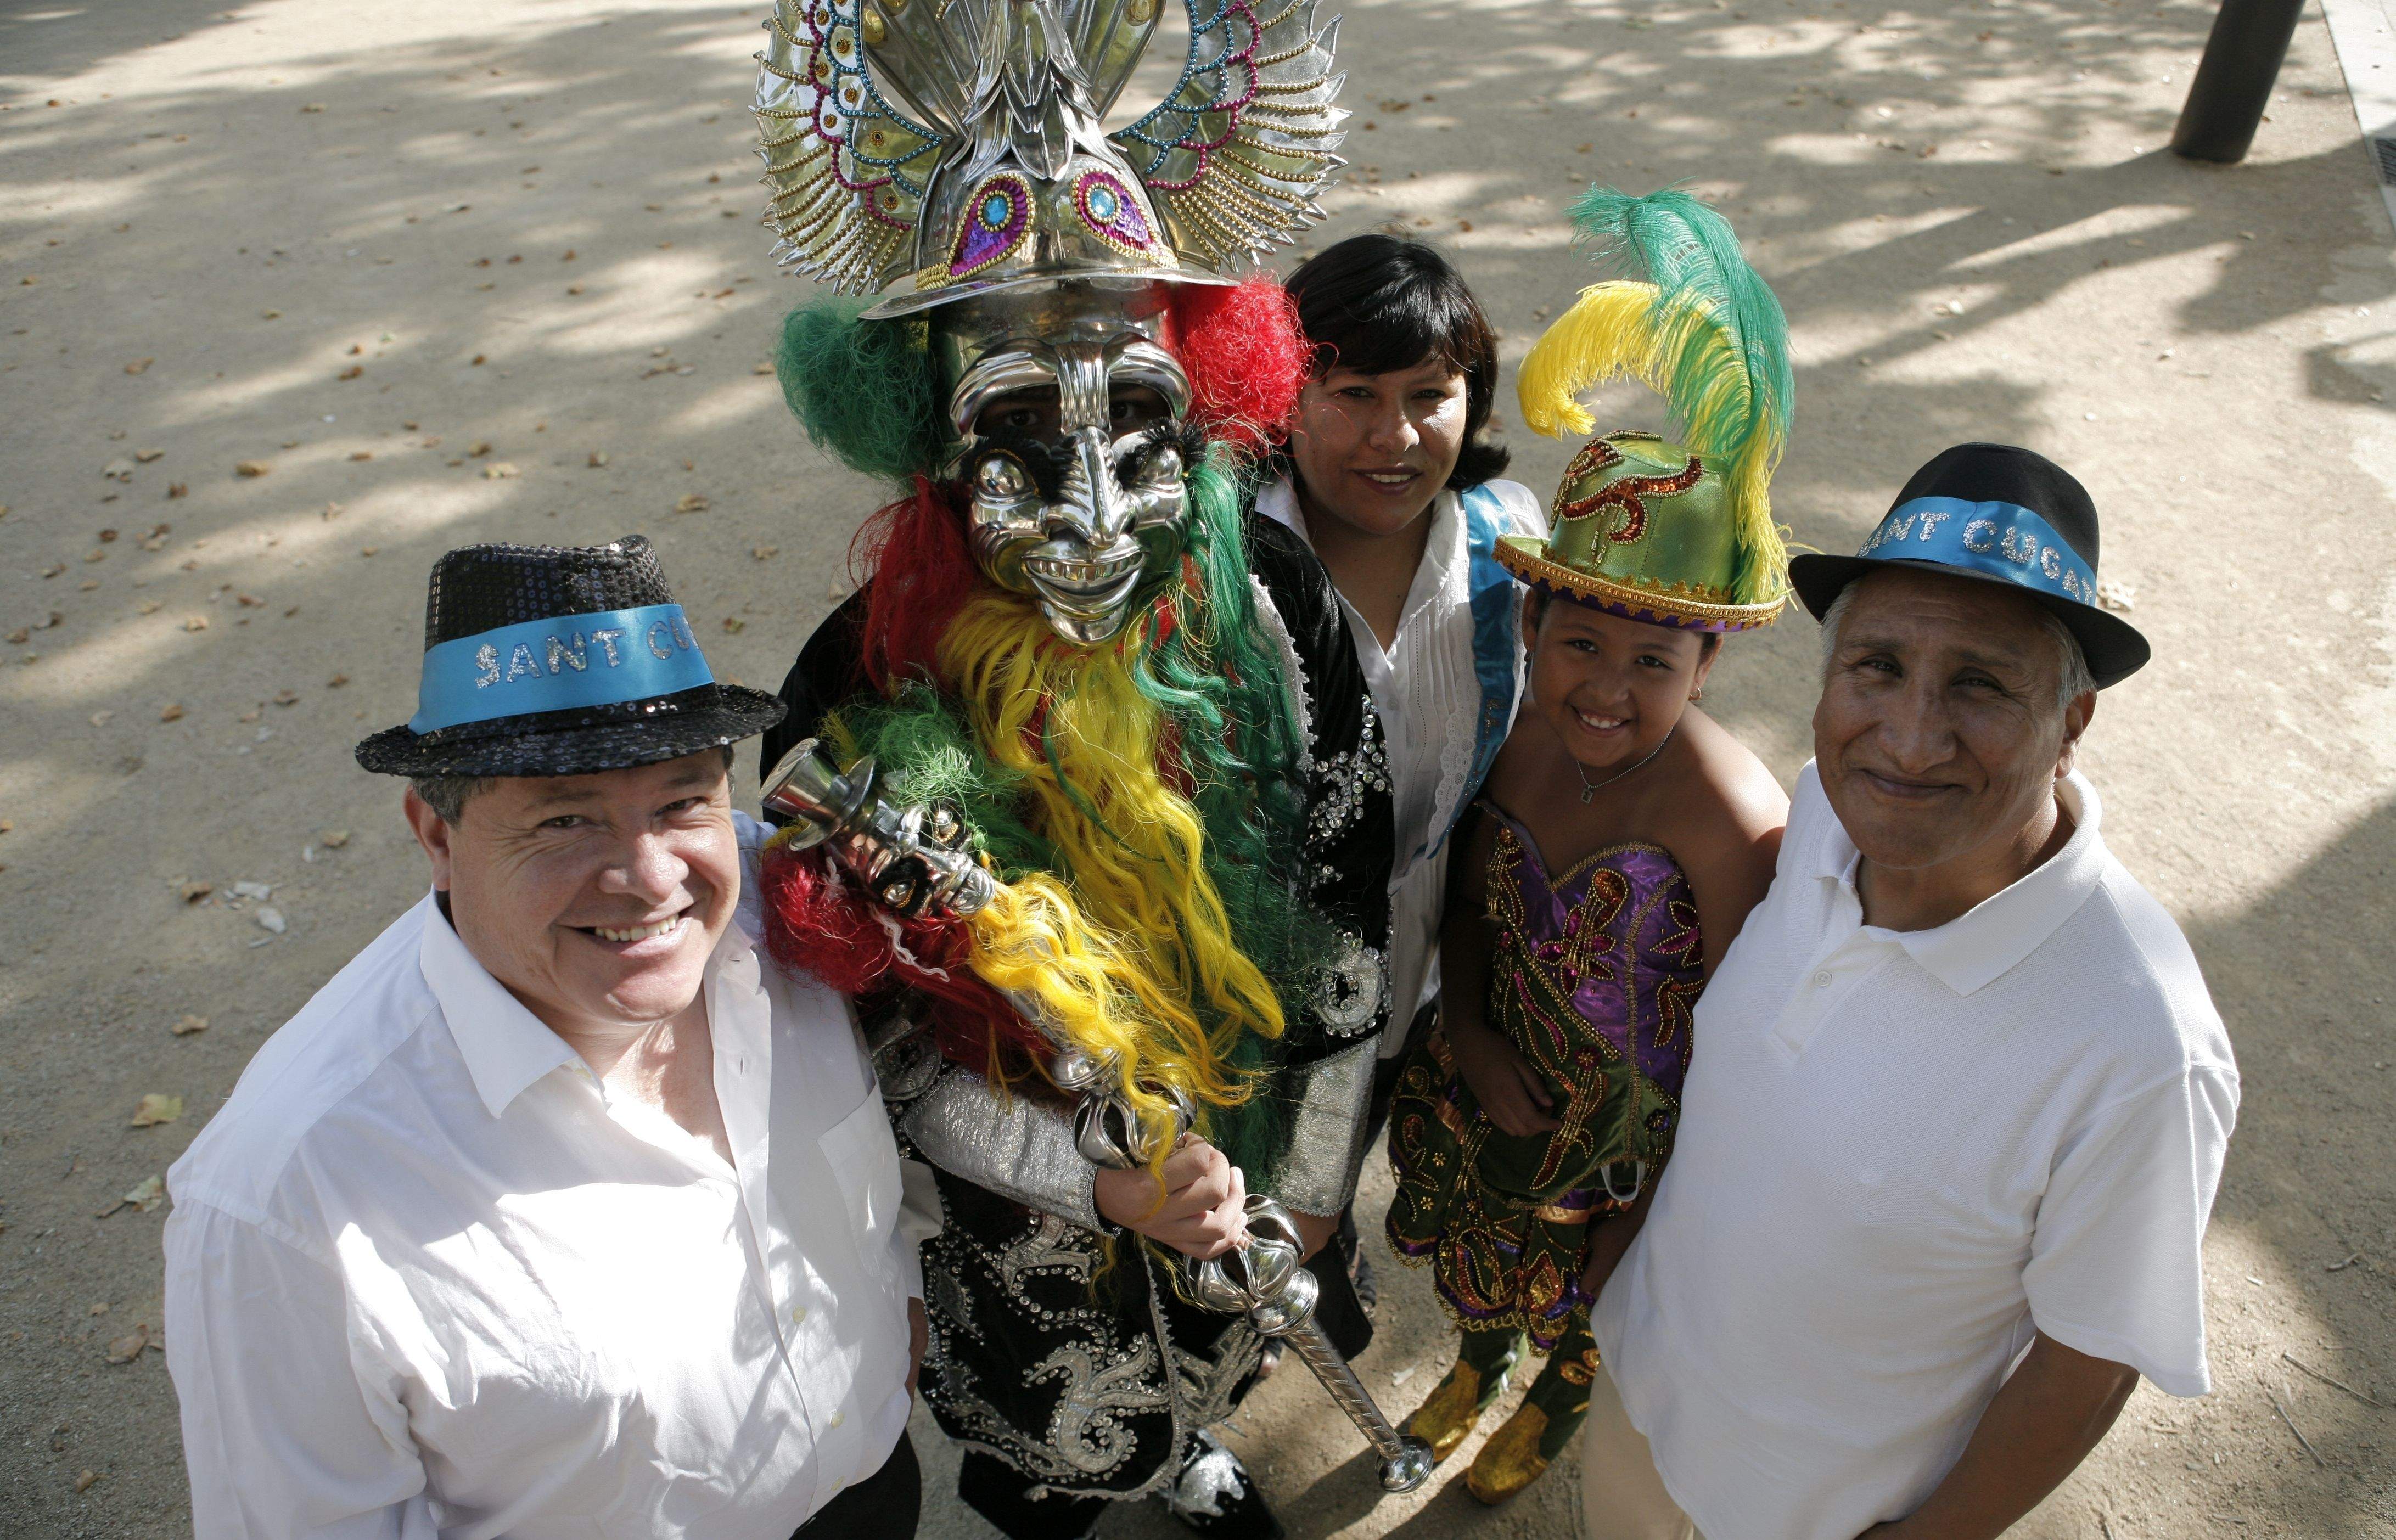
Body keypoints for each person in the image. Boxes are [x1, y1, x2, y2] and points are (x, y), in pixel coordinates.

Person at [740, 4, 1394, 1537]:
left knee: (1221, 1338)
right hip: (1010, 1215)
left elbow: (1351, 903)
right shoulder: (854, 685)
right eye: (1019, 435)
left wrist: (1301, 1174)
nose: (1095, 509)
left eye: (1139, 431)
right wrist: (1078, 1171)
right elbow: (838, 1036)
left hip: (1239, 1151)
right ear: (928, 441)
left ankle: (1194, 1447)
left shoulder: (1281, 614)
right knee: (1041, 1441)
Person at [162, 536, 935, 1539]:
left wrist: (891, 1305)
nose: (654, 879)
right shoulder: (288, 1199)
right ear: (437, 836)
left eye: (682, 800)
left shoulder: (788, 915)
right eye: (567, 819)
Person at [1581, 443, 2240, 1540]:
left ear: (2071, 723)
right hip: (1640, 1407)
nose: (1907, 737)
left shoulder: (2140, 1046)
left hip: (1817, 1512)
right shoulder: (1822, 820)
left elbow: (2090, 1355)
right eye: (1876, 666)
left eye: (1978, 684)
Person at [1383, 189, 1794, 1505]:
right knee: (1482, 1249)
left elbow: (1749, 1035)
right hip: (1491, 1088)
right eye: (1578, 642)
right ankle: (1479, 1352)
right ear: (1535, 615)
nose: (1604, 687)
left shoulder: (1733, 820)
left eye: (1650, 658)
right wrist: (1475, 1037)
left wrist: (1661, 1191)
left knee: (1588, 1295)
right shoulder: (1508, 739)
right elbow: (1455, 895)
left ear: (1707, 655)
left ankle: (1558, 1388)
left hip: (1629, 1146)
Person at [1268, 233, 1547, 1181]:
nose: (1395, 437)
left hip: (1427, 983)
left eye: (1430, 395)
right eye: (1354, 395)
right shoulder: (1218, 564)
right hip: (1251, 1008)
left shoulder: (1511, 548)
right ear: (1286, 394)